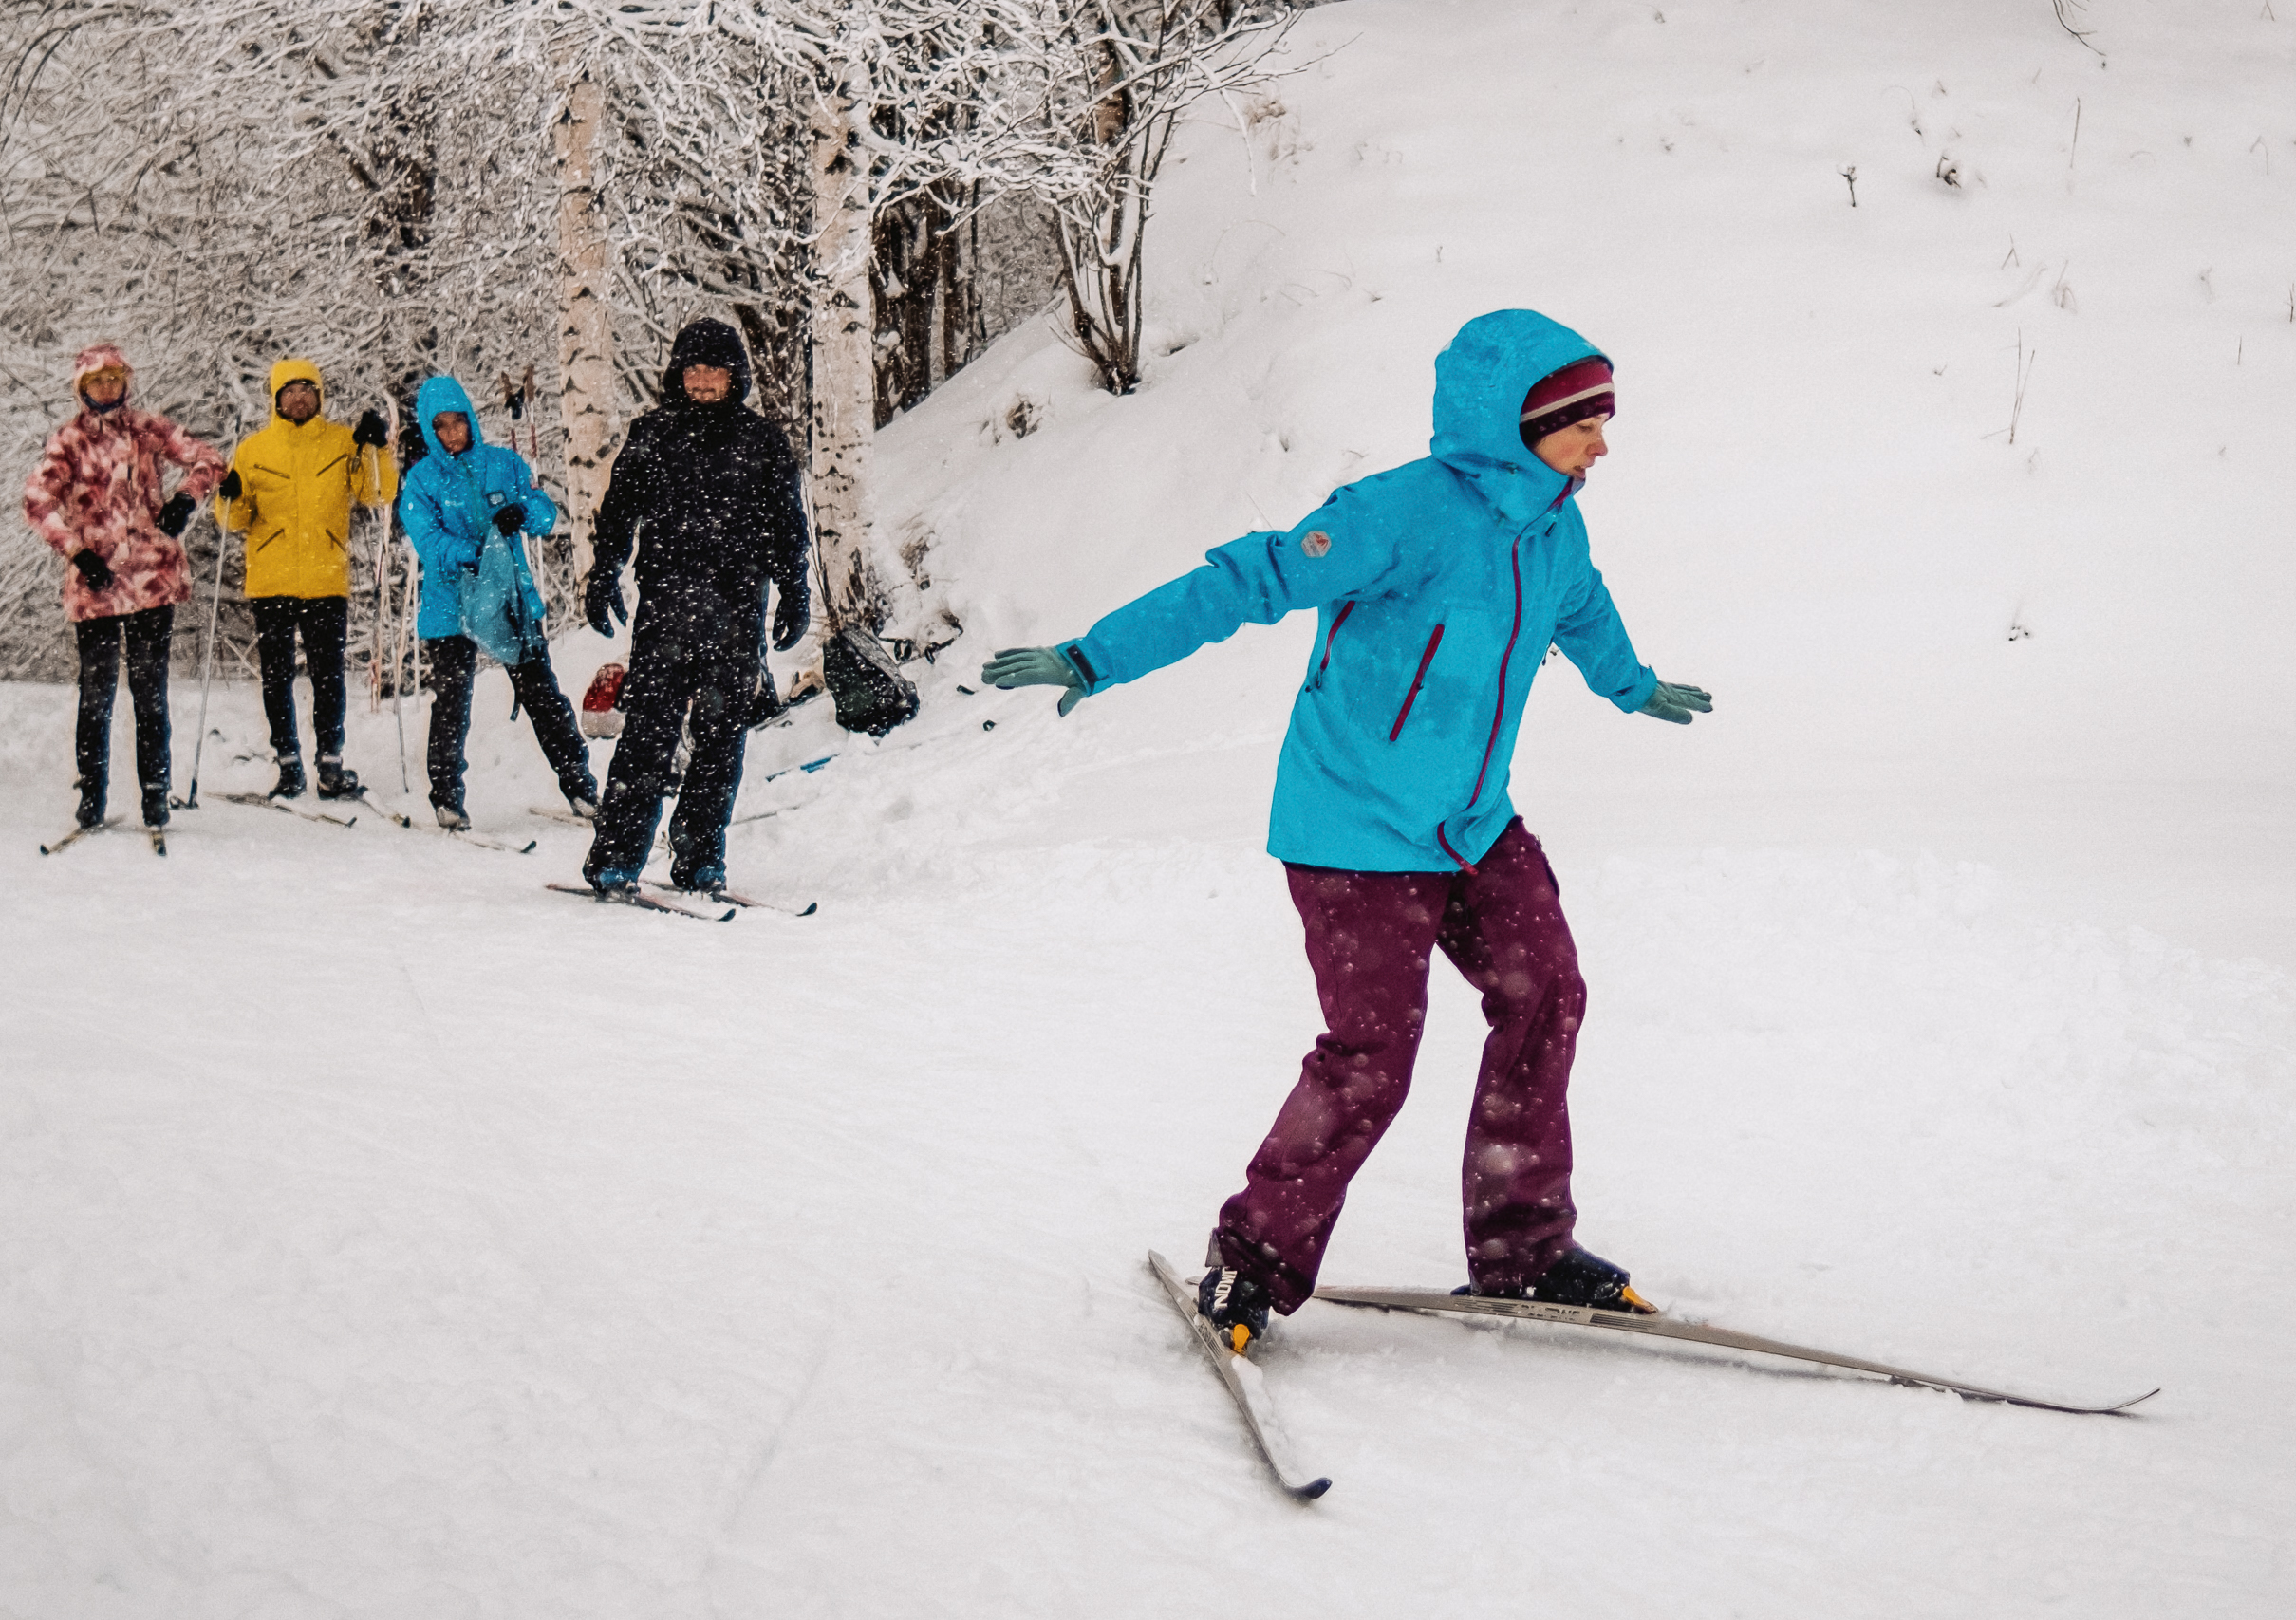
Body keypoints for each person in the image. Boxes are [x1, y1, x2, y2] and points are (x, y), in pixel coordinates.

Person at [983, 310, 1714, 1347]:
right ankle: (1251, 1262)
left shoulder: (1555, 521)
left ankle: (1523, 1249)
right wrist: (1098, 655)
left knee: (1545, 993)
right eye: (1583, 422)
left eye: (1603, 419)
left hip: (1469, 824)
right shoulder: (1396, 514)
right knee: (1372, 1053)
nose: (1602, 443)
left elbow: (1578, 604)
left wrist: (1628, 685)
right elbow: (1251, 577)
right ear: (1518, 421)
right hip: (1352, 831)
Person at [579, 318, 812, 895]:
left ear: (736, 378)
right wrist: (604, 570)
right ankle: (616, 858)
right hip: (667, 608)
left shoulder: (762, 442)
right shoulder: (652, 434)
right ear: (677, 375)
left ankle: (700, 856)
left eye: (715, 371)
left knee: (721, 738)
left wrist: (795, 588)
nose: (704, 382)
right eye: (694, 370)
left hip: (736, 610)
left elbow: (788, 524)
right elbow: (618, 511)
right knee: (647, 737)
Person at [22, 344, 227, 832]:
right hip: (96, 584)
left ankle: (156, 794)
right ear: (82, 389)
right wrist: (75, 550)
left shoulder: (148, 428)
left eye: (115, 379)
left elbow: (209, 458)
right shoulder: (68, 441)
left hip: (153, 578)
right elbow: (37, 500)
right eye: (97, 381)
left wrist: (186, 498)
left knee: (150, 692)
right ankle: (92, 793)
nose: (108, 388)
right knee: (96, 694)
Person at [397, 375, 599, 829]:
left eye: (458, 422)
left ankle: (581, 784)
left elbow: (544, 512)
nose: (452, 433)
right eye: (441, 426)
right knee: (452, 701)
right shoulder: (421, 481)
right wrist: (479, 552)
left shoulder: (503, 464)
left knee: (541, 694)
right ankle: (447, 795)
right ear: (430, 431)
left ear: (471, 419)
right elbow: (429, 543)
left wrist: (522, 512)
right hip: (450, 605)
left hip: (509, 600)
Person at [215, 358, 398, 799]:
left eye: (307, 390)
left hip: (325, 576)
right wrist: (229, 496)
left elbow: (377, 492)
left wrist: (375, 447)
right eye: (289, 392)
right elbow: (234, 520)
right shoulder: (254, 450)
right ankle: (289, 764)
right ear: (276, 399)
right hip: (271, 578)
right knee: (276, 677)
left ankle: (330, 765)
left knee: (328, 675)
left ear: (319, 395)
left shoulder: (341, 442)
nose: (299, 398)